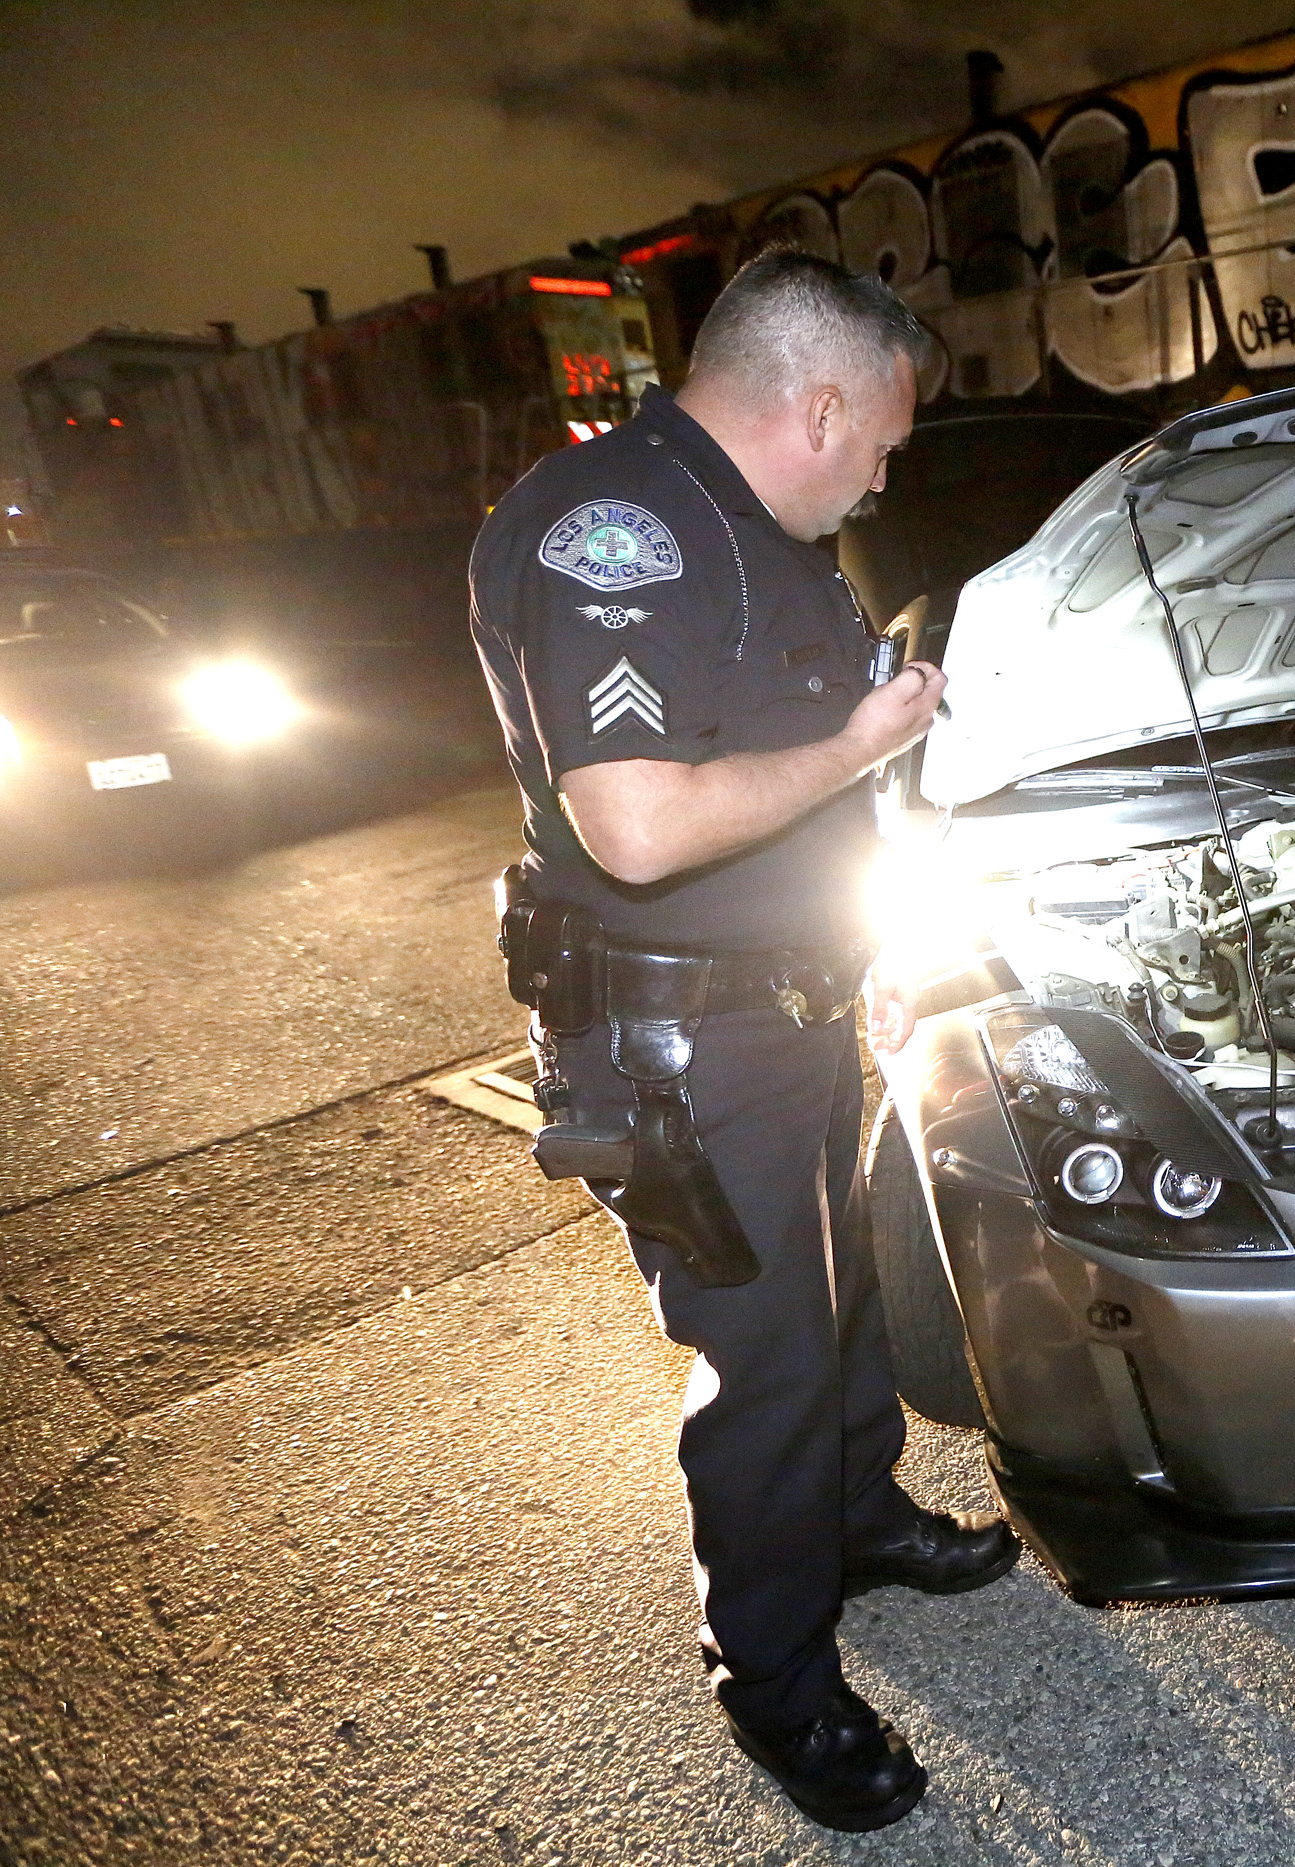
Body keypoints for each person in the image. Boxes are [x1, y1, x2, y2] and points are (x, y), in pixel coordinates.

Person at [468, 248, 1013, 1836]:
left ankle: (853, 1521)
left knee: (834, 1304)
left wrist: (873, 947)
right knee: (766, 1360)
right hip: (679, 1050)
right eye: (886, 443)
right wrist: (858, 741)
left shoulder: (761, 534)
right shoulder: (620, 529)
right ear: (823, 402)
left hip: (787, 1008)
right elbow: (636, 825)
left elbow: (804, 787)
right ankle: (771, 1675)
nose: (884, 471)